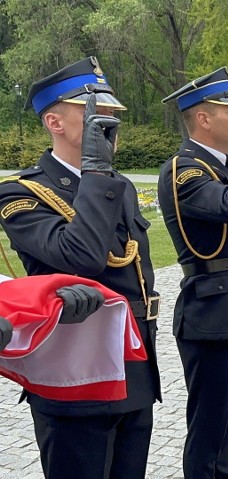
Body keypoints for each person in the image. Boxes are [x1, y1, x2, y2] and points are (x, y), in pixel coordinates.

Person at [0, 57, 161, 479]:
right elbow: (81, 256)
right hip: (74, 376)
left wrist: (99, 173)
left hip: (134, 365)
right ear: (55, 121)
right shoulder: (20, 192)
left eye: (111, 112)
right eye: (93, 111)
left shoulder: (118, 185)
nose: (108, 120)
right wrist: (94, 169)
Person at [159, 67, 228, 479]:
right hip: (213, 316)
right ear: (204, 119)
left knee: (226, 428)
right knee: (208, 432)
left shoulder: (224, 166)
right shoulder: (183, 169)